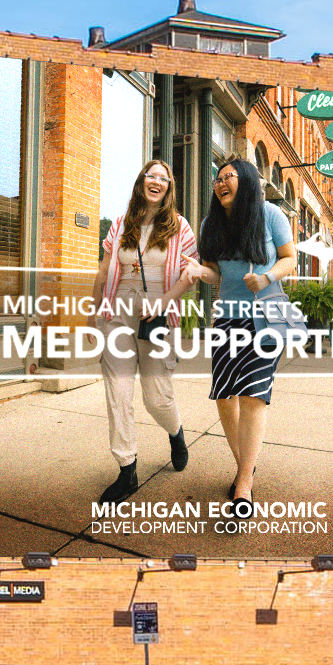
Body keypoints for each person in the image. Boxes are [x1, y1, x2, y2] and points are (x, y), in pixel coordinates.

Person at [93, 159, 202, 504]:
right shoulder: (122, 223)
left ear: (169, 188)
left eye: (164, 178)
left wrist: (163, 302)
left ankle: (175, 431)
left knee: (155, 395)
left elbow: (191, 274)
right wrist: (94, 311)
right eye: (150, 176)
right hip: (118, 310)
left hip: (158, 310)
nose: (156, 182)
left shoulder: (180, 227)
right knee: (118, 392)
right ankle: (127, 469)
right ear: (141, 182)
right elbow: (105, 267)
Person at [196, 158, 297, 513]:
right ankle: (246, 465)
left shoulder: (271, 215)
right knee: (225, 395)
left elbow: (290, 258)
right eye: (217, 179)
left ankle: (243, 482)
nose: (221, 183)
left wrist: (267, 277)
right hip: (227, 319)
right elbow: (214, 275)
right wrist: (198, 270)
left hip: (265, 317)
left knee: (253, 395)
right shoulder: (212, 223)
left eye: (228, 177)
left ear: (249, 180)